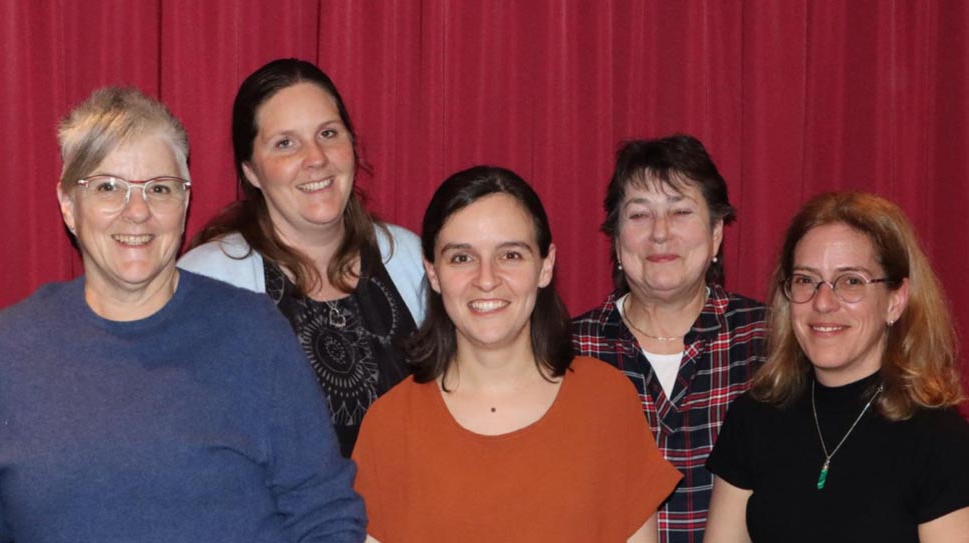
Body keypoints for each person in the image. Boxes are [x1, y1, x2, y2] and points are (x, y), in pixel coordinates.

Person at [0, 88, 365, 542]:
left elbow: (324, 515)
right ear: (69, 205)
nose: (138, 212)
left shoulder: (252, 333)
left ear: (184, 204)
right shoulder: (4, 352)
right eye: (109, 187)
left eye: (160, 189)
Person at [352, 165, 681, 543]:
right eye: (462, 257)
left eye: (510, 255)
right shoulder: (389, 426)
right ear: (433, 272)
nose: (487, 278)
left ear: (546, 265)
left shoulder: (606, 401)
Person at [179, 58, 425, 457]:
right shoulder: (206, 283)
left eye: (328, 133)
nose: (316, 158)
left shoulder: (411, 259)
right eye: (285, 143)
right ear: (252, 171)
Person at [704, 192, 969, 543]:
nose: (823, 302)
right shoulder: (752, 417)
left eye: (851, 281)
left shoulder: (941, 440)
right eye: (806, 280)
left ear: (895, 300)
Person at [572, 134, 767, 542]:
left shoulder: (768, 339)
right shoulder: (568, 352)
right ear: (616, 239)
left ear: (716, 233)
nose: (660, 233)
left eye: (680, 212)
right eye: (640, 215)